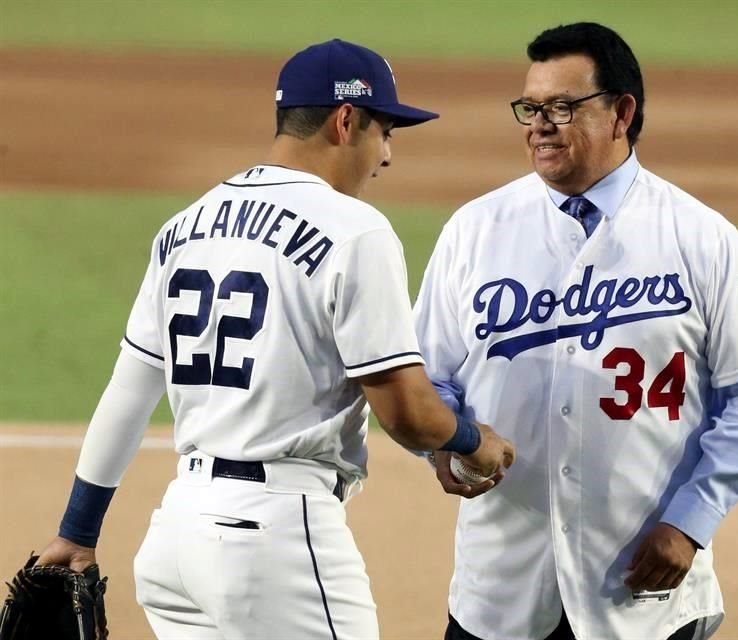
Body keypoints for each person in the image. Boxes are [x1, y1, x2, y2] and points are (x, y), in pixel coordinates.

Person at [34, 39, 515, 640]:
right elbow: (408, 413)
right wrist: (473, 441)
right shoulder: (356, 230)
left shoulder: (184, 225)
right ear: (346, 121)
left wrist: (78, 530)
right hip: (275, 542)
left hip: (176, 538)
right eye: (385, 131)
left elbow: (128, 394)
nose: (387, 154)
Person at [414, 22, 738, 640]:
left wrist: (691, 521)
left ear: (622, 113)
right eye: (531, 108)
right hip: (502, 589)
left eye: (562, 107)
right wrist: (446, 446)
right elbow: (427, 378)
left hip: (644, 588)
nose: (540, 124)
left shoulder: (700, 236)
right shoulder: (474, 229)